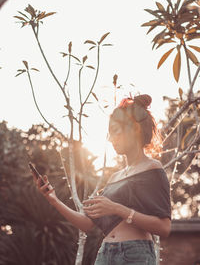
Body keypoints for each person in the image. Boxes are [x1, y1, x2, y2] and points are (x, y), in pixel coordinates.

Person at [32, 94, 171, 265]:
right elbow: (87, 224)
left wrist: (117, 209)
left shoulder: (153, 168)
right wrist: (52, 199)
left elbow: (164, 228)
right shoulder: (115, 177)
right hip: (105, 254)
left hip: (135, 253)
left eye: (116, 132)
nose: (111, 139)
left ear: (134, 129)